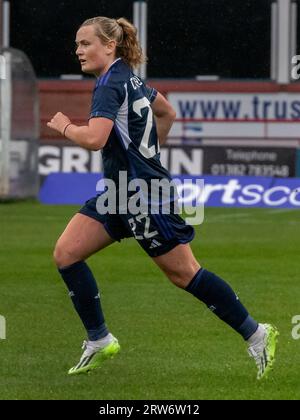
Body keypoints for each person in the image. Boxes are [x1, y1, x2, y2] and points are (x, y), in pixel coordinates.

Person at [47, 16, 278, 379]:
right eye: (76, 44)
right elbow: (167, 111)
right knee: (66, 254)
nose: (78, 50)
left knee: (185, 274)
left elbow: (94, 138)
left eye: (85, 43)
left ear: (109, 46)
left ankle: (257, 333)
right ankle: (99, 340)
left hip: (143, 196)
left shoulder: (111, 84)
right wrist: (151, 152)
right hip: (118, 193)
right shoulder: (128, 77)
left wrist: (65, 127)